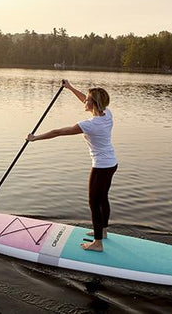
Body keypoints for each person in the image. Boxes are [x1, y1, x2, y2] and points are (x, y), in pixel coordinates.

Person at [26, 80, 118, 252]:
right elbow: (85, 99)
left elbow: (58, 132)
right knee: (103, 198)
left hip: (101, 167)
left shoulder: (90, 125)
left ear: (94, 104)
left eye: (88, 100)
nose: (85, 101)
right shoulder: (107, 114)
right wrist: (69, 88)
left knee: (93, 202)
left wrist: (35, 138)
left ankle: (98, 243)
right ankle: (103, 231)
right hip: (112, 163)